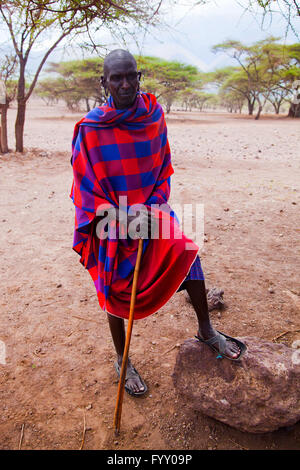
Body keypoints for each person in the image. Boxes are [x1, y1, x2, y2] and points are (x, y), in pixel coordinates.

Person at [70, 49, 243, 397]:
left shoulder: (153, 115)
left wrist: (152, 209)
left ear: (139, 76)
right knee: (113, 284)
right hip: (112, 217)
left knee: (188, 252)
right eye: (115, 78)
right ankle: (123, 358)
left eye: (129, 75)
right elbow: (85, 189)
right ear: (103, 82)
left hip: (151, 210)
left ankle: (206, 329)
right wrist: (121, 216)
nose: (123, 83)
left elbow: (163, 167)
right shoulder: (90, 129)